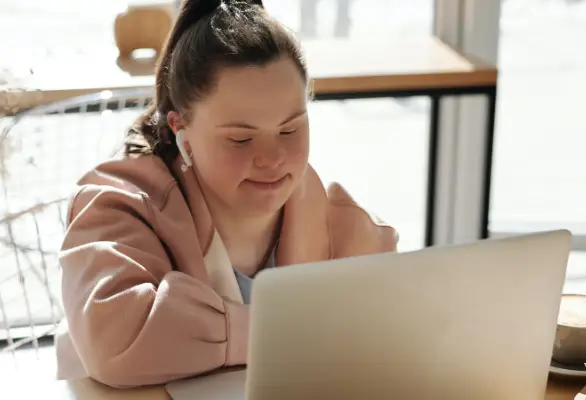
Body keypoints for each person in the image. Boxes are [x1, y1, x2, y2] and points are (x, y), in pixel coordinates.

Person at [54, 0, 398, 388]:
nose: (272, 159)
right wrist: (289, 331)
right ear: (181, 130)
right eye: (241, 138)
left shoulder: (343, 226)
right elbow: (114, 338)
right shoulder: (118, 205)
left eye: (289, 129)